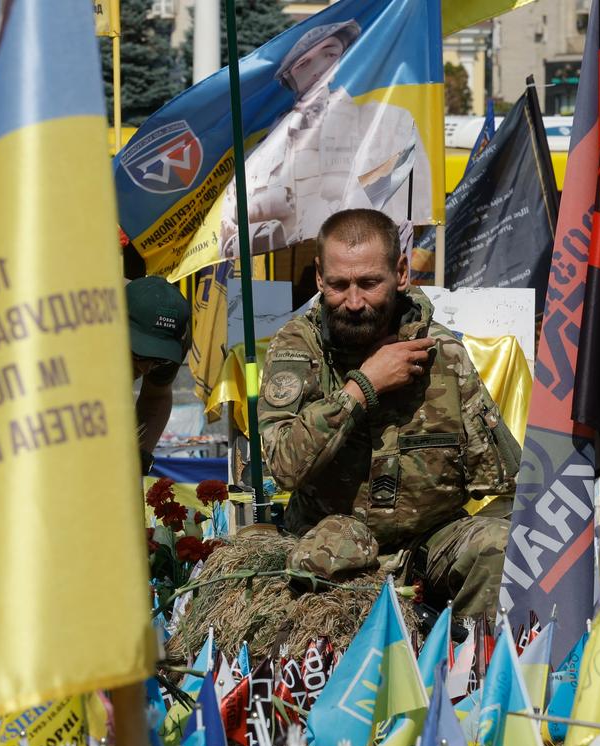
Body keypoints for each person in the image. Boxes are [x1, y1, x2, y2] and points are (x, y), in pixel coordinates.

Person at [259, 209, 520, 616]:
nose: (354, 302)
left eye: (368, 283)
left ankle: (472, 668)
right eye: (339, 285)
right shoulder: (299, 348)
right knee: (332, 551)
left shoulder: (443, 356)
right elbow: (283, 466)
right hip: (328, 547)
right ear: (318, 278)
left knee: (499, 547)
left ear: (400, 273)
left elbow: (506, 482)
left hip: (427, 543)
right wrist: (363, 386)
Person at [218, 21, 432, 258]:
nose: (319, 68)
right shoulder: (261, 152)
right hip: (283, 280)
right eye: (304, 64)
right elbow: (226, 238)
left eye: (330, 53)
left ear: (341, 60)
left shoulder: (387, 122)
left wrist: (339, 205)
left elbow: (416, 203)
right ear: (289, 77)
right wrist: (278, 230)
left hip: (363, 268)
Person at [127, 276, 191, 474]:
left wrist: (139, 457)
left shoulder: (177, 338)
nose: (146, 369)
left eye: (158, 359)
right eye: (138, 353)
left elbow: (156, 396)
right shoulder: (82, 331)